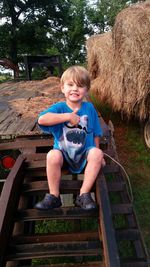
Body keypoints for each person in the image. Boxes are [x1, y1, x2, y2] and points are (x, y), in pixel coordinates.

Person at [35, 65, 104, 210]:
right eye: (70, 85)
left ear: (86, 90)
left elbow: (96, 132)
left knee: (97, 153)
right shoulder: (59, 108)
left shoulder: (89, 108)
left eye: (80, 86)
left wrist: (99, 156)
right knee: (52, 155)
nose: (75, 89)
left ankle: (83, 195)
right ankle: (54, 196)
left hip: (85, 154)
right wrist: (67, 116)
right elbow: (41, 120)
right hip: (64, 155)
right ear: (62, 88)